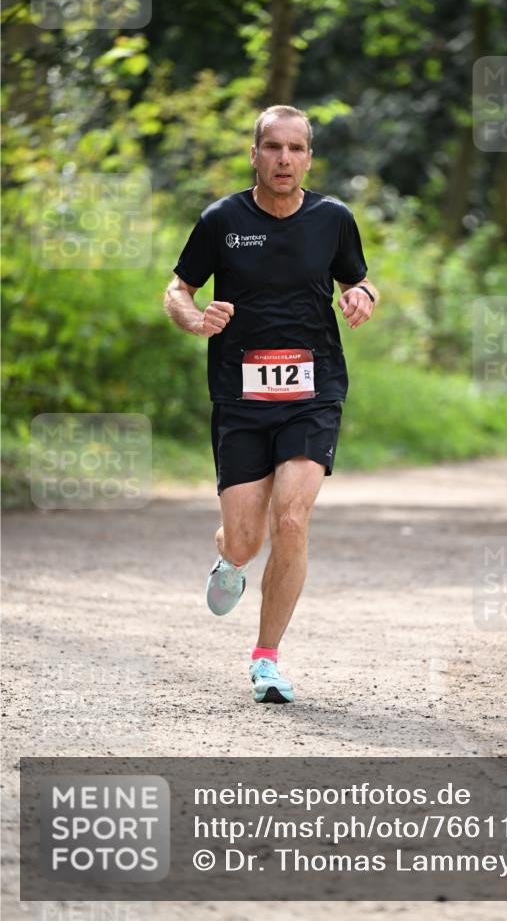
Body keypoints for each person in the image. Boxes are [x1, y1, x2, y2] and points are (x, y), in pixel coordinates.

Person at [164, 104, 378, 704]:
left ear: (309, 156)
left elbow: (357, 279)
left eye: (297, 148)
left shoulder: (332, 219)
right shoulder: (222, 220)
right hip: (240, 396)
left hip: (314, 393)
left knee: (292, 517)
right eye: (273, 147)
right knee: (245, 539)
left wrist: (362, 295)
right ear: (254, 153)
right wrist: (194, 318)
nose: (285, 159)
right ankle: (229, 560)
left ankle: (266, 660)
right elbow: (178, 288)